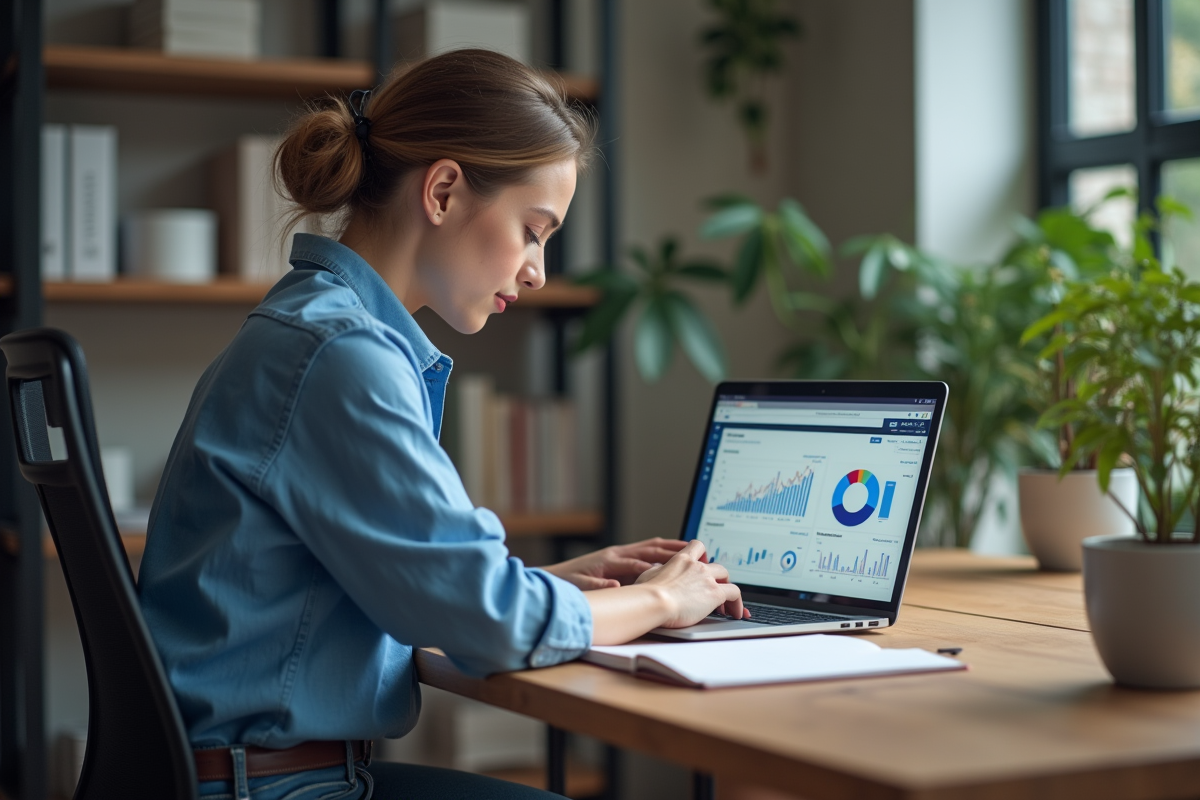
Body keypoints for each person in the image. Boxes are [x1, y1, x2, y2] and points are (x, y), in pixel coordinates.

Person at [138, 49, 746, 800]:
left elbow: (407, 597)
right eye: (533, 229)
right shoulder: (342, 356)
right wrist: (661, 600)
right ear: (445, 190)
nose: (537, 271)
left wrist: (556, 587)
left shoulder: (313, 327)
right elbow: (490, 627)